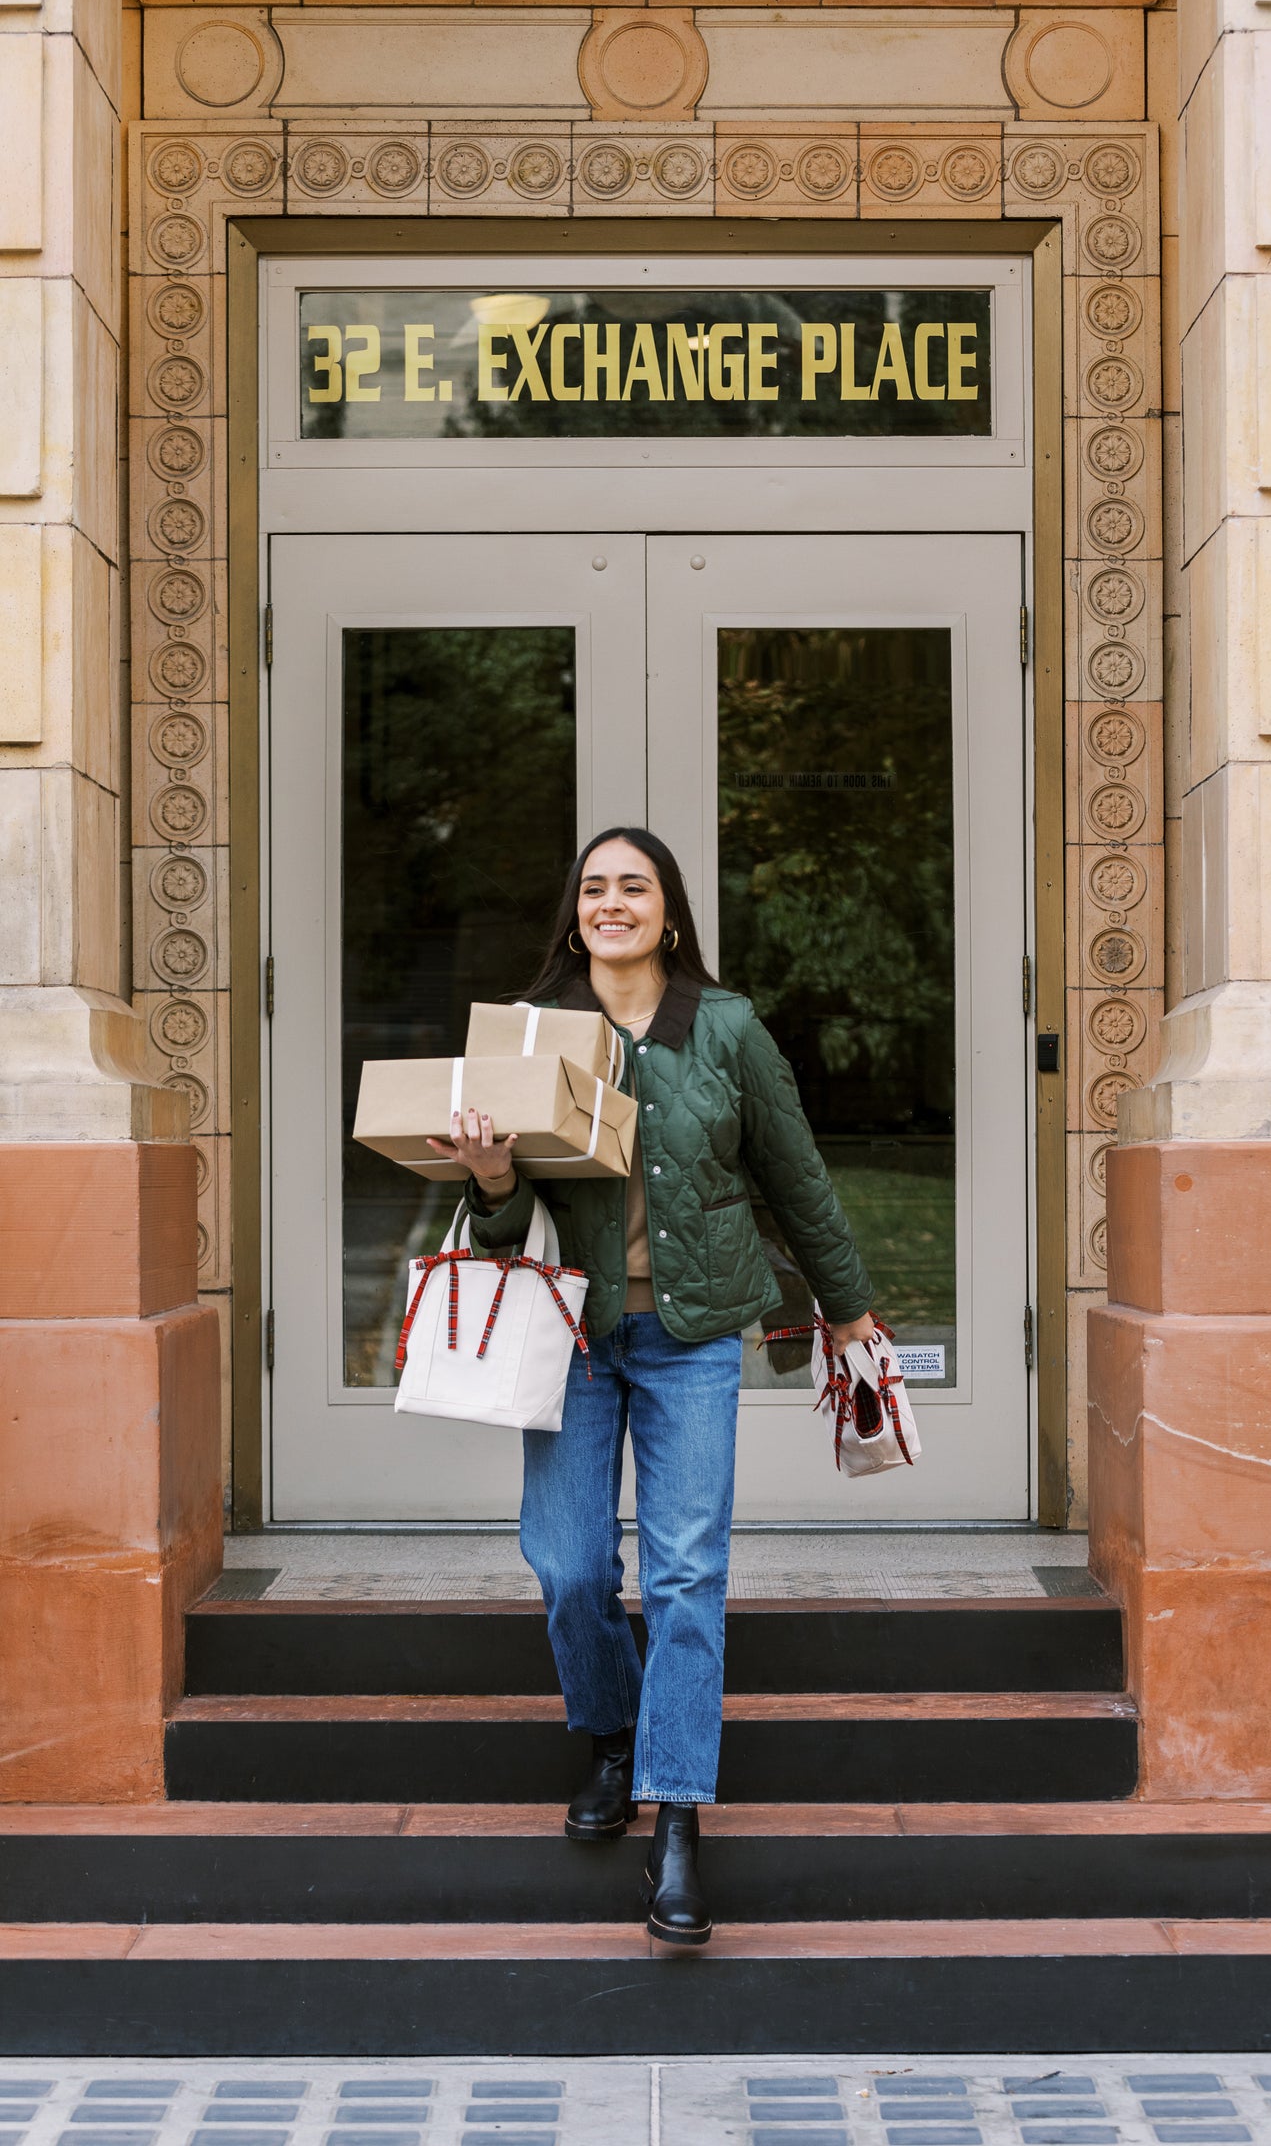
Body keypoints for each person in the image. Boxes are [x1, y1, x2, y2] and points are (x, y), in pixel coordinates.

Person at [428, 826, 875, 1946]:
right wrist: (486, 1169)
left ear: (668, 913)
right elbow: (497, 1219)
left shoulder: (722, 1027)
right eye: (592, 887)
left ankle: (676, 1815)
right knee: (571, 1563)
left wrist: (848, 1305)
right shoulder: (532, 1029)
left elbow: (795, 1173)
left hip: (691, 1335)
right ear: (574, 910)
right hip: (571, 1330)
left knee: (686, 1570)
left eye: (632, 886)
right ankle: (612, 1731)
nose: (609, 902)